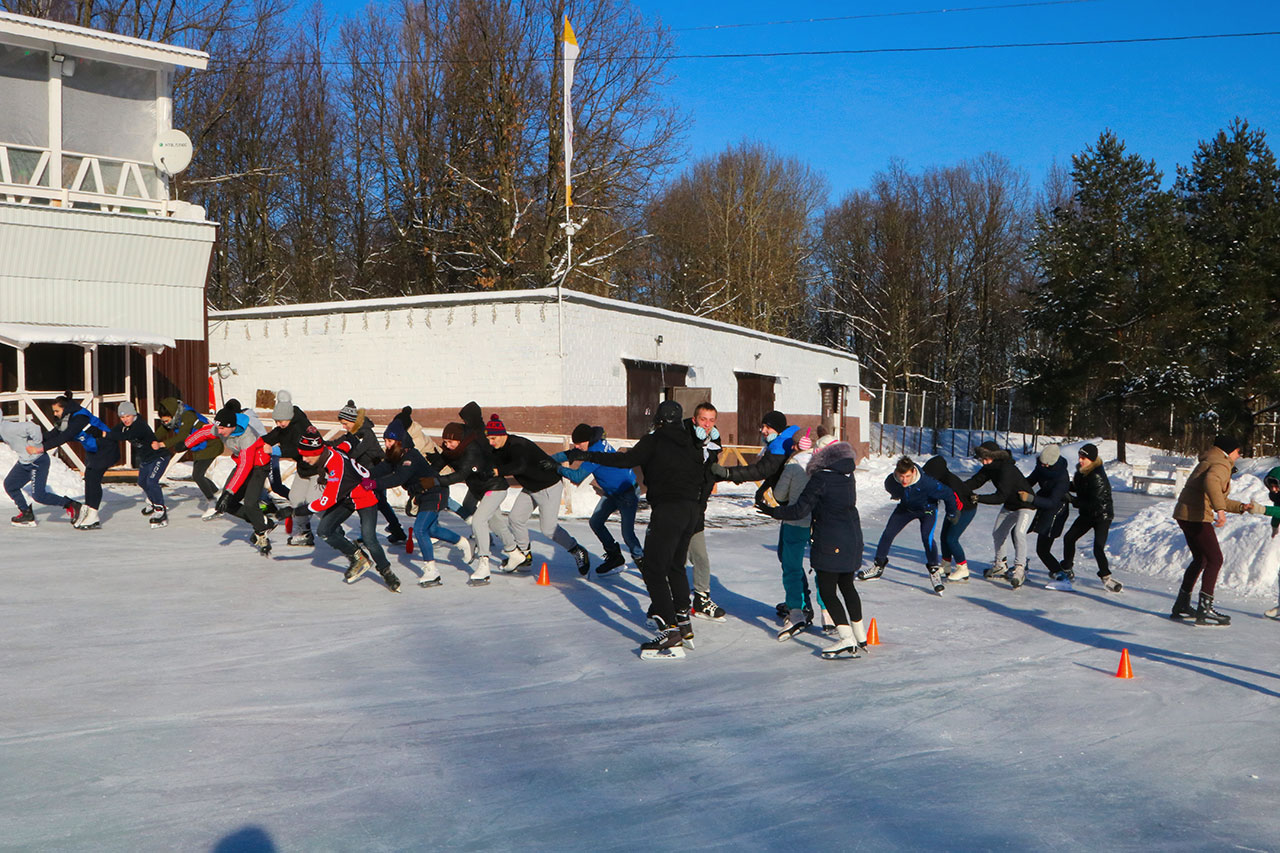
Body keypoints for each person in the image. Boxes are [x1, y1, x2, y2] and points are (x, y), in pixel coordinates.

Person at [567, 400, 705, 660]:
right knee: (675, 565)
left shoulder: (654, 439)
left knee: (653, 569)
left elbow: (625, 460)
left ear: (659, 420)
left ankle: (670, 632)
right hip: (691, 510)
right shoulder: (690, 441)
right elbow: (704, 471)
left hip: (668, 510)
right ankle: (684, 623)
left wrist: (588, 456)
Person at [758, 437, 868, 659]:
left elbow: (799, 510)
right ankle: (860, 635)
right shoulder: (848, 474)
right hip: (852, 538)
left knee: (827, 590)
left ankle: (846, 639)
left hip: (830, 539)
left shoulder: (821, 478)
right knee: (847, 586)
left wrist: (773, 512)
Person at [486, 414, 590, 575]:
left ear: (502, 435)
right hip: (531, 486)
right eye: (489, 439)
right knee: (515, 519)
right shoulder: (497, 449)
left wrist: (498, 471)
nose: (491, 442)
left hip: (548, 486)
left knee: (548, 529)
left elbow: (519, 466)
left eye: (493, 438)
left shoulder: (517, 445)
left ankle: (576, 550)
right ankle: (525, 557)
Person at [303, 428, 401, 593]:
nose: (304, 459)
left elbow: (327, 500)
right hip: (348, 498)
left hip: (365, 498)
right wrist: (355, 437)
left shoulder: (335, 466)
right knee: (324, 530)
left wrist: (297, 511)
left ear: (317, 453)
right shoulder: (333, 452)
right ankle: (358, 557)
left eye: (306, 455)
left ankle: (386, 571)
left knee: (370, 540)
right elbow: (346, 445)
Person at [376, 418, 471, 587]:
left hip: (435, 493)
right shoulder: (396, 454)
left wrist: (373, 484)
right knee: (432, 530)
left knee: (420, 530)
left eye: (389, 440)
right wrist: (363, 474)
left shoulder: (410, 457)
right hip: (422, 495)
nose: (387, 444)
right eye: (385, 440)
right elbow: (383, 468)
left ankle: (431, 571)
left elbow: (399, 478)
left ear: (399, 441)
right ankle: (462, 542)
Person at [431, 403, 519, 585]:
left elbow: (462, 474)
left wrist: (437, 481)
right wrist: (426, 472)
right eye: (445, 442)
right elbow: (440, 462)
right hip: (480, 488)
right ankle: (515, 553)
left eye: (450, 442)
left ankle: (484, 563)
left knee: (479, 520)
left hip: (494, 486)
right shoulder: (455, 448)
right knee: (496, 523)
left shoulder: (472, 447)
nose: (447, 445)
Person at [1171, 435, 1250, 625]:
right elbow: (1212, 483)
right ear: (1229, 451)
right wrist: (1221, 512)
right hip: (1196, 516)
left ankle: (1182, 604)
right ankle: (1205, 609)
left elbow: (1213, 493)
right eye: (1238, 452)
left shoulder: (1211, 459)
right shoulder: (1221, 464)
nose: (1239, 456)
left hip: (1185, 514)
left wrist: (1239, 507)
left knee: (1202, 559)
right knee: (1215, 559)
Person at [859, 455, 958, 593]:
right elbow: (890, 486)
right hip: (905, 509)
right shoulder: (892, 480)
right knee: (888, 533)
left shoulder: (927, 483)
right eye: (901, 477)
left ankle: (934, 571)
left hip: (927, 510)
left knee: (927, 538)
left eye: (907, 476)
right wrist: (896, 494)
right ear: (896, 473)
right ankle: (878, 567)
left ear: (913, 472)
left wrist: (952, 512)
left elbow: (948, 493)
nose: (904, 480)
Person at [553, 423, 643, 575]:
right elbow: (570, 454)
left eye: (579, 443)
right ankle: (615, 557)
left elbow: (577, 476)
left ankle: (644, 563)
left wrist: (556, 468)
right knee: (596, 522)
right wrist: (546, 459)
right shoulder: (593, 442)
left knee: (627, 534)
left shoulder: (596, 453)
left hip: (627, 492)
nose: (577, 446)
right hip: (612, 493)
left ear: (587, 441)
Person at [190, 400, 274, 556]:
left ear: (230, 426)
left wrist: (229, 492)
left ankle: (261, 534)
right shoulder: (222, 428)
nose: (219, 431)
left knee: (249, 503)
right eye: (219, 428)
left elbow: (245, 467)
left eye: (222, 428)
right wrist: (187, 443)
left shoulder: (247, 436)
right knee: (227, 504)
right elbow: (205, 432)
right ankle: (262, 521)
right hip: (242, 465)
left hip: (258, 467)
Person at [34, 392, 119, 530]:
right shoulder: (68, 418)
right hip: (94, 449)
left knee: (93, 480)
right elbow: (54, 434)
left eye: (57, 411)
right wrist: (35, 440)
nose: (55, 414)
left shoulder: (80, 417)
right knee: (89, 479)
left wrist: (41, 448)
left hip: (106, 447)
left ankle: (93, 515)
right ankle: (90, 513)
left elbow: (64, 437)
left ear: (65, 409)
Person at [962, 440, 1037, 589]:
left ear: (995, 457)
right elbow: (975, 481)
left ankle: (1019, 569)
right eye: (982, 459)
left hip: (1026, 506)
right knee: (998, 533)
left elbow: (1000, 497)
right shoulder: (989, 467)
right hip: (1010, 506)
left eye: (986, 458)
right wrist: (958, 488)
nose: (984, 462)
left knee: (1019, 533)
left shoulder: (1006, 469)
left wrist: (978, 498)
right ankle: (1000, 565)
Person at [768, 428, 819, 639]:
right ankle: (825, 612)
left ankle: (797, 608)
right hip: (817, 522)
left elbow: (779, 494)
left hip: (794, 521)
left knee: (791, 564)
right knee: (820, 566)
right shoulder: (820, 466)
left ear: (796, 446)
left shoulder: (792, 465)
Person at [335, 400, 406, 545]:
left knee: (371, 503)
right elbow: (339, 442)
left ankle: (370, 534)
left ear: (352, 421)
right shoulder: (353, 433)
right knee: (380, 503)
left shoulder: (365, 434)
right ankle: (397, 531)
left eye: (345, 423)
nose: (343, 426)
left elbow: (354, 454)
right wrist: (322, 446)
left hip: (377, 472)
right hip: (367, 473)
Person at [1056, 443, 1123, 592]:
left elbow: (1094, 502)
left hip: (1101, 516)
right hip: (1087, 514)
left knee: (1098, 547)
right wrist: (1063, 484)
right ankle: (1067, 568)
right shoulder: (1082, 472)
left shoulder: (1097, 476)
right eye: (1080, 457)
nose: (1080, 460)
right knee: (1069, 538)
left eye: (1083, 458)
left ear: (1092, 459)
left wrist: (1072, 500)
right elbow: (1077, 486)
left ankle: (1106, 576)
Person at [261, 390, 319, 546]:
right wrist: (258, 444)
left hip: (317, 469)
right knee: (295, 498)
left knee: (314, 502)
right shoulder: (284, 426)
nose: (279, 424)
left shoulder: (301, 426)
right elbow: (273, 436)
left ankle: (336, 530)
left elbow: (299, 449)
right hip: (303, 468)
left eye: (281, 421)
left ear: (289, 416)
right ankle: (304, 533)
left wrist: (274, 450)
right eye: (277, 421)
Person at [687, 402, 728, 621]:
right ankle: (665, 604)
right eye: (704, 419)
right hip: (679, 508)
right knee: (676, 557)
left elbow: (710, 470)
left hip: (698, 507)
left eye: (712, 420)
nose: (708, 424)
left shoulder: (713, 441)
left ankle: (701, 599)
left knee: (700, 556)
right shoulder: (685, 439)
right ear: (695, 420)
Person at [103, 402, 171, 528]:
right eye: (122, 417)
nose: (125, 420)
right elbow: (115, 431)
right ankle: (153, 501)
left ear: (133, 414)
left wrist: (107, 435)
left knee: (152, 481)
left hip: (159, 456)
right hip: (146, 459)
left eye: (128, 416)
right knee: (142, 482)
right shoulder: (125, 426)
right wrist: (102, 433)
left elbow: (126, 436)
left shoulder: (139, 425)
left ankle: (160, 509)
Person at [154, 396, 223, 519]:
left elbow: (182, 436)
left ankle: (213, 503)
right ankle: (218, 493)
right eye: (163, 421)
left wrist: (162, 444)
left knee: (197, 475)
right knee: (198, 474)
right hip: (200, 447)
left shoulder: (187, 415)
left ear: (173, 414)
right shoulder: (174, 419)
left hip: (211, 444)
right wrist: (151, 440)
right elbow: (162, 430)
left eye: (166, 420)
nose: (165, 423)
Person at [2, 414, 77, 526]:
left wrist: (37, 445)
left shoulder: (7, 428)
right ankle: (26, 513)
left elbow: (33, 427)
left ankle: (71, 504)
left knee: (39, 496)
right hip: (24, 463)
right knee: (10, 485)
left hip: (37, 461)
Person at [1019, 444, 1072, 585]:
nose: (1043, 466)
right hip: (1040, 503)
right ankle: (1021, 563)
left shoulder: (1062, 477)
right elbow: (1029, 481)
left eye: (1046, 465)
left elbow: (1052, 502)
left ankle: (1060, 572)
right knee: (1018, 532)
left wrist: (1030, 498)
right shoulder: (1041, 467)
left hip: (1055, 511)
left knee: (1042, 549)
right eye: (1041, 464)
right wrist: (1016, 484)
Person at [921, 455, 977, 582]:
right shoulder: (941, 479)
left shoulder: (950, 482)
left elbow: (958, 501)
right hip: (953, 509)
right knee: (944, 536)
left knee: (952, 539)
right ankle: (946, 566)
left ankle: (963, 568)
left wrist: (955, 514)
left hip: (965, 509)